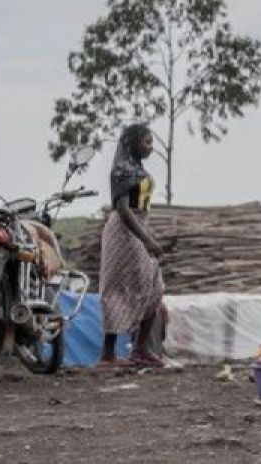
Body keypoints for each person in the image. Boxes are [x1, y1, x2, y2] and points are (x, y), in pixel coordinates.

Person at [99, 123, 166, 368]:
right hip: (123, 231)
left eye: (151, 142)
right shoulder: (121, 171)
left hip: (140, 227)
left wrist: (147, 234)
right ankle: (107, 354)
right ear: (132, 143)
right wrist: (146, 239)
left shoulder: (137, 169)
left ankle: (140, 348)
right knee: (117, 287)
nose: (150, 147)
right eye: (146, 142)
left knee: (154, 284)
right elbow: (123, 209)